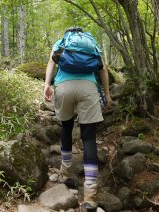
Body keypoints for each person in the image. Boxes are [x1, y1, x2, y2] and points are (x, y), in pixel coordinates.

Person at [43, 28, 112, 210]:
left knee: (66, 127)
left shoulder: (61, 42)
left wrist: (47, 85)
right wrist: (107, 94)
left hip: (64, 86)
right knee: (88, 137)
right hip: (88, 88)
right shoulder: (92, 44)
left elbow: (51, 61)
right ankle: (90, 195)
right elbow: (103, 69)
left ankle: (66, 172)